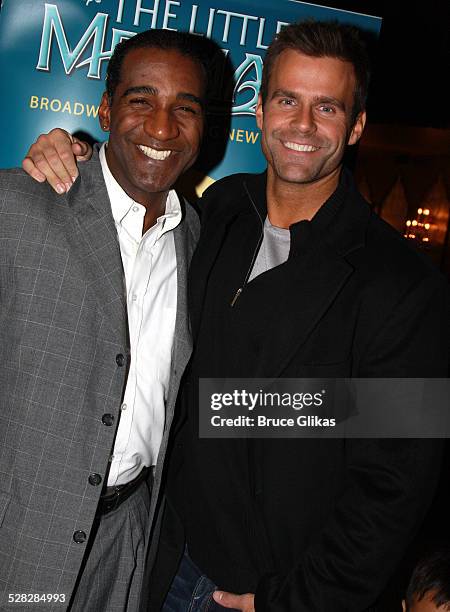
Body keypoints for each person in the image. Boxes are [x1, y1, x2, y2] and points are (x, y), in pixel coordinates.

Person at [21, 21, 449, 612]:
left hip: (267, 590)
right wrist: (75, 155)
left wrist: (297, 601)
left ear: (356, 126)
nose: (302, 125)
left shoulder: (405, 284)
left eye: (326, 107)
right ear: (260, 110)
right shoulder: (217, 212)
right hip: (160, 561)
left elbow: (395, 485)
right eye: (287, 101)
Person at [0, 28, 208, 611]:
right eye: (142, 100)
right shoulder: (18, 205)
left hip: (128, 537)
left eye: (185, 108)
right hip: (19, 533)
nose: (163, 128)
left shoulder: (197, 239)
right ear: (106, 109)